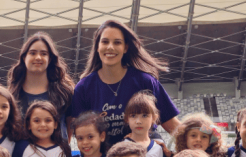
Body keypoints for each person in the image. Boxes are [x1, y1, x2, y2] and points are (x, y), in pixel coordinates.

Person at [70, 19, 179, 147]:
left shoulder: (145, 81)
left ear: (125, 48)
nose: (110, 47)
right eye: (105, 42)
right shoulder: (84, 88)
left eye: (117, 42)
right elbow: (77, 132)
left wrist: (201, 136)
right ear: (97, 47)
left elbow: (173, 126)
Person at [7, 33, 74, 139]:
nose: (38, 57)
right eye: (32, 53)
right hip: (23, 155)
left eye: (43, 54)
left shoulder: (64, 92)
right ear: (24, 57)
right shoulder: (12, 95)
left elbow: (70, 127)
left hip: (57, 154)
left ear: (50, 59)